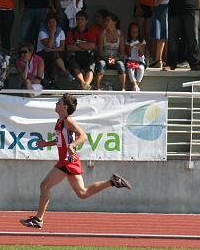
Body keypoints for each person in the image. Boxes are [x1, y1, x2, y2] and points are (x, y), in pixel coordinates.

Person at [20, 93, 132, 229]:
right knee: (82, 193)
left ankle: (38, 219)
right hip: (68, 160)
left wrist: (72, 146)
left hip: (67, 160)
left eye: (59, 102)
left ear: (65, 106)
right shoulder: (60, 121)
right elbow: (60, 140)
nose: (56, 104)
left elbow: (83, 135)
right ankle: (113, 182)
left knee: (44, 186)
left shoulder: (68, 120)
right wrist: (46, 143)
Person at [37, 12, 74, 85]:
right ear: (46, 24)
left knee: (53, 59)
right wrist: (52, 33)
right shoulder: (42, 32)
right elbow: (49, 45)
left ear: (57, 23)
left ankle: (53, 83)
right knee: (53, 55)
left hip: (54, 53)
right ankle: (65, 72)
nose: (51, 24)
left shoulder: (60, 31)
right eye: (49, 22)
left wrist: (51, 50)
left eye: (53, 22)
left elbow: (62, 48)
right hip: (42, 54)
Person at [65, 10, 97, 91]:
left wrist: (77, 44)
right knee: (75, 65)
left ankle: (86, 85)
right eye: (78, 19)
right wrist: (85, 46)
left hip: (88, 56)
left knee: (90, 68)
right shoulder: (70, 32)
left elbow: (92, 46)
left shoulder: (91, 31)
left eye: (82, 19)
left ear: (86, 21)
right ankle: (83, 83)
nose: (79, 21)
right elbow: (69, 47)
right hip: (75, 55)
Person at [151, 0, 173, 69]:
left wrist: (156, 4)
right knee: (167, 33)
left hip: (163, 6)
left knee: (161, 34)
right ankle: (167, 59)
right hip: (171, 6)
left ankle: (158, 59)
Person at [95, 13, 126, 91]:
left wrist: (114, 59)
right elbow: (100, 51)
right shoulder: (103, 33)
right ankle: (97, 87)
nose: (105, 23)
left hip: (116, 59)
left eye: (108, 21)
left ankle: (123, 87)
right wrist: (107, 59)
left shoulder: (120, 34)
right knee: (101, 64)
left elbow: (122, 52)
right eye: (105, 21)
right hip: (104, 58)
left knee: (121, 65)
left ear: (114, 22)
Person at [125, 22, 146, 91]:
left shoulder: (142, 41)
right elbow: (128, 54)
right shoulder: (128, 41)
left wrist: (140, 47)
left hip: (139, 60)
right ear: (130, 32)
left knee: (141, 69)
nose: (134, 34)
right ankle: (135, 86)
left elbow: (141, 54)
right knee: (130, 69)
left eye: (136, 32)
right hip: (131, 59)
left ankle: (136, 85)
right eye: (132, 32)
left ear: (138, 32)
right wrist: (130, 47)